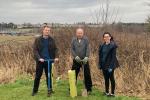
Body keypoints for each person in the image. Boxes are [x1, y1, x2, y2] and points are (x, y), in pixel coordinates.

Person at [32, 25, 59, 96]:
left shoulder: (52, 40)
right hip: (40, 61)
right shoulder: (38, 39)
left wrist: (56, 57)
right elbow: (35, 50)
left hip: (48, 61)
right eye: (46, 30)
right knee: (38, 76)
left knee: (49, 76)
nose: (47, 31)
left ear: (49, 31)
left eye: (48, 30)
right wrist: (39, 58)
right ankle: (35, 90)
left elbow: (55, 49)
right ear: (43, 31)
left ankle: (50, 89)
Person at [70, 28, 92, 94]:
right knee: (73, 74)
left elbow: (88, 49)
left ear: (83, 33)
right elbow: (71, 49)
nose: (80, 34)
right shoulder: (73, 40)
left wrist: (86, 57)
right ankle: (71, 88)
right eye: (78, 33)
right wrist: (75, 57)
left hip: (84, 60)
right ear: (76, 34)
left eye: (81, 33)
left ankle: (88, 89)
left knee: (87, 74)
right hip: (76, 60)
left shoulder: (86, 40)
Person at [98, 32, 119, 98]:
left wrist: (111, 66)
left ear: (110, 37)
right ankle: (107, 92)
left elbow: (113, 57)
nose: (106, 38)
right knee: (106, 79)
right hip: (104, 64)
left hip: (110, 65)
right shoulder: (102, 45)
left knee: (111, 78)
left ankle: (112, 94)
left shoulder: (113, 46)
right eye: (105, 37)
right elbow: (100, 56)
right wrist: (99, 63)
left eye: (107, 36)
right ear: (103, 38)